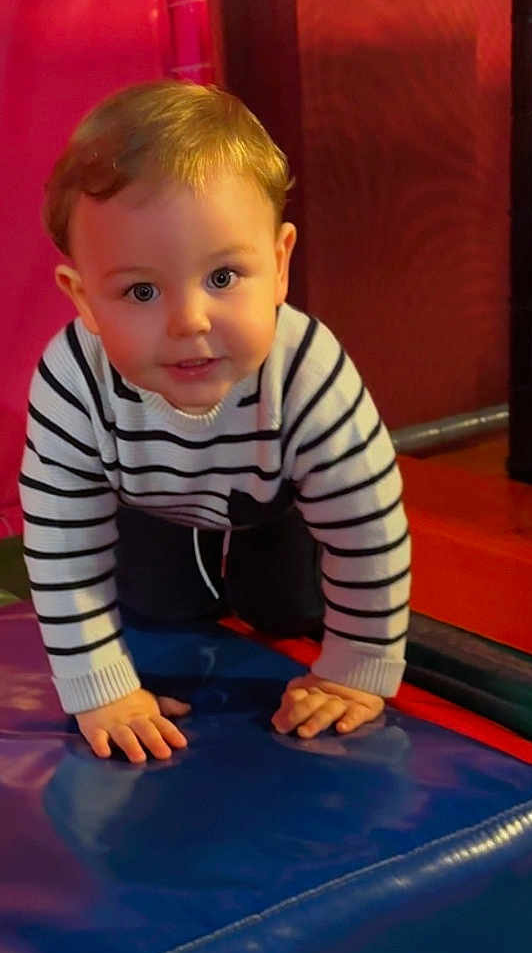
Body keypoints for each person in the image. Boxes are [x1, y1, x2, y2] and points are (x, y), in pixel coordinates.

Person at [21, 80, 410, 764]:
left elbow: (364, 525)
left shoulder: (307, 372)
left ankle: (265, 576)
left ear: (281, 263)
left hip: (274, 499)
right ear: (83, 298)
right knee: (161, 609)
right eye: (141, 291)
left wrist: (356, 669)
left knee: (289, 611)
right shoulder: (72, 380)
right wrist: (100, 690)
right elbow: (63, 544)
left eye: (224, 277)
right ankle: (185, 570)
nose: (189, 322)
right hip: (144, 500)